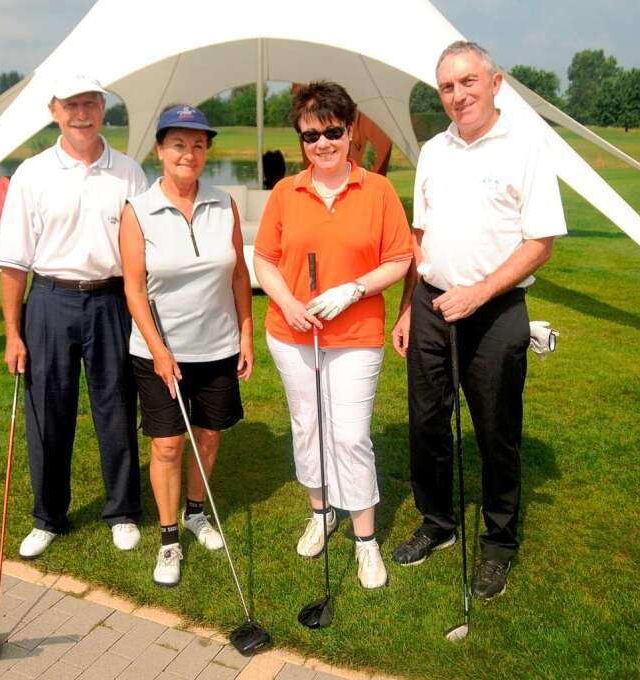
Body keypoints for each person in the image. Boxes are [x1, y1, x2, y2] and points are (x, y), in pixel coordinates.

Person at [390, 41, 567, 599]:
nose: (458, 95)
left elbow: (541, 243)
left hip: (495, 310)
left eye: (468, 82)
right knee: (426, 424)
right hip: (431, 306)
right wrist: (405, 309)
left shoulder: (526, 147)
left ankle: (498, 542)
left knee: (496, 433)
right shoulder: (435, 151)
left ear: (495, 83)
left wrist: (478, 293)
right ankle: (438, 524)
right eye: (447, 86)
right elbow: (421, 238)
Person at [254, 81, 413, 589]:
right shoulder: (285, 192)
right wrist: (289, 303)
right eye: (310, 135)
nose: (322, 143)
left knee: (349, 435)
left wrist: (353, 290)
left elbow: (402, 258)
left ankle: (365, 540)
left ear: (350, 132)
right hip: (292, 332)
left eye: (332, 132)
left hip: (356, 333)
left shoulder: (378, 190)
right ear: (300, 140)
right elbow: (264, 260)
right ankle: (320, 510)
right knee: (308, 427)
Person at [0, 74, 148, 559]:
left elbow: (143, 255)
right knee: (48, 415)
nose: (81, 112)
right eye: (71, 104)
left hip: (111, 301)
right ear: (54, 111)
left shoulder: (129, 173)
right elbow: (14, 261)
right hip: (50, 301)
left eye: (90, 103)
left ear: (103, 108)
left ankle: (122, 511)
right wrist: (12, 335)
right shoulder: (32, 174)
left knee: (117, 410)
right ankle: (48, 516)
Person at [119, 104, 254, 587]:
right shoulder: (138, 210)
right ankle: (169, 535)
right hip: (160, 352)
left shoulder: (224, 204)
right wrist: (157, 349)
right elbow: (134, 288)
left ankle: (197, 512)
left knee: (210, 436)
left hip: (217, 346)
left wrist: (246, 333)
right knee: (169, 444)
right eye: (179, 143)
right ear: (160, 150)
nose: (189, 153)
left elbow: (239, 273)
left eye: (198, 144)